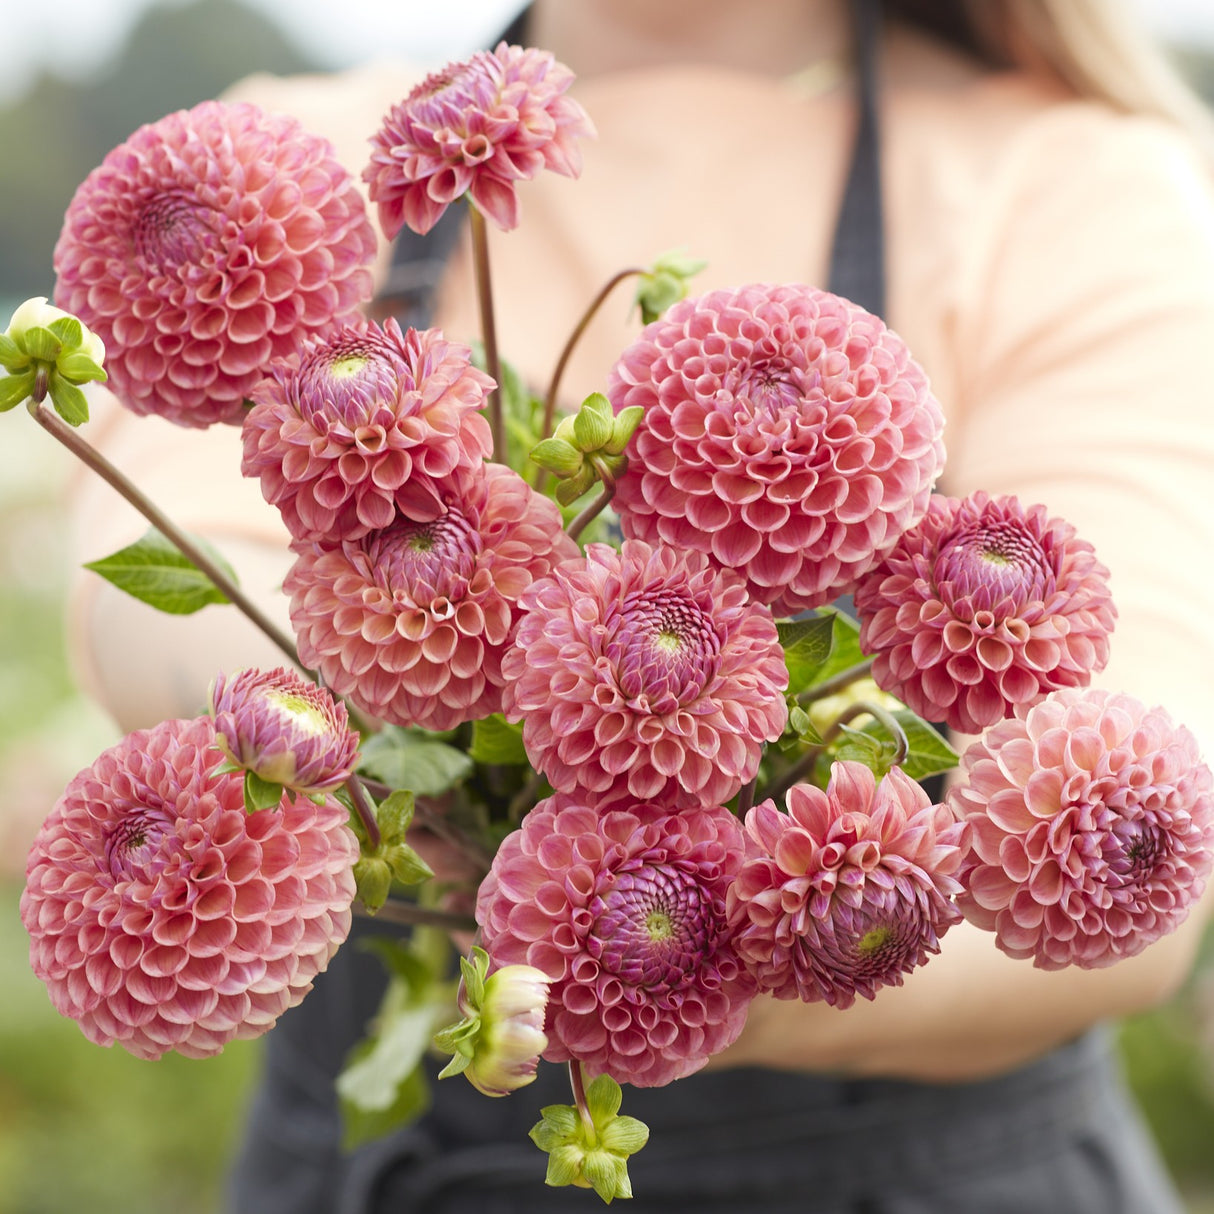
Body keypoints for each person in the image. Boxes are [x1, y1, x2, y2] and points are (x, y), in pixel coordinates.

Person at [65, 0, 1214, 1210]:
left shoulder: (1067, 179)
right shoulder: (292, 154)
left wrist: (702, 947)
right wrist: (351, 724)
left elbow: (1141, 795)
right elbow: (169, 574)